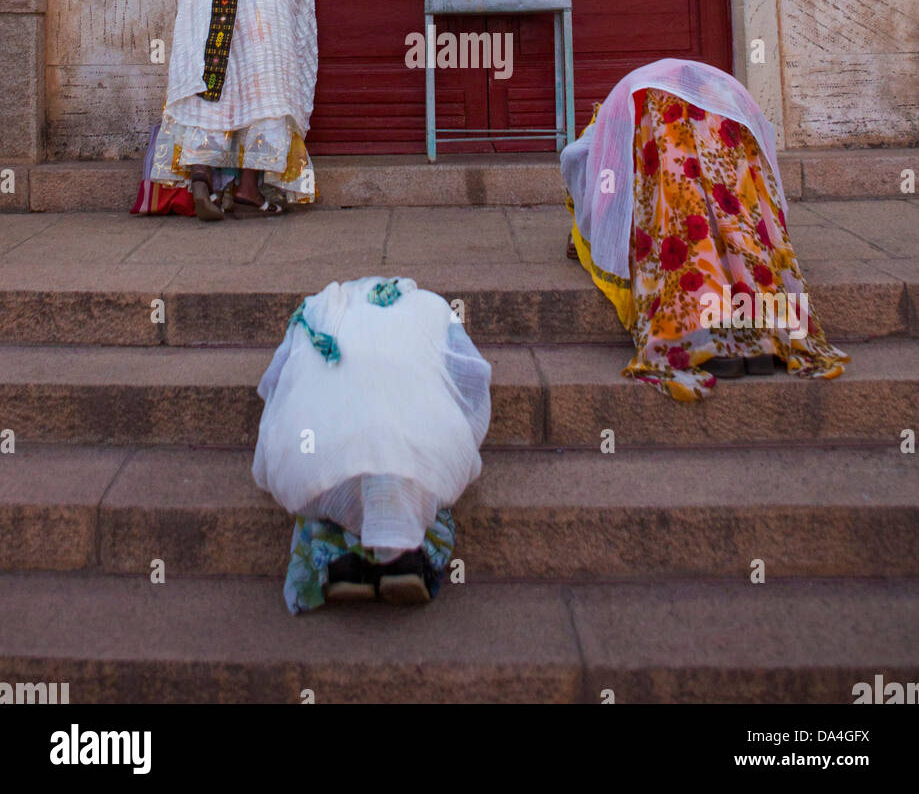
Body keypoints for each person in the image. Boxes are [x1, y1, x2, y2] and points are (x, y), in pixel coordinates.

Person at [561, 58, 849, 402]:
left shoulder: (608, 119)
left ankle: (706, 338)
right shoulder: (711, 93)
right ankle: (761, 340)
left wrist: (587, 236)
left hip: (661, 129)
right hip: (723, 120)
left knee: (686, 234)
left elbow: (594, 183)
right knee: (735, 229)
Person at [253, 276, 491, 608]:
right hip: (415, 448)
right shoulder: (431, 305)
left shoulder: (314, 309)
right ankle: (405, 558)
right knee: (404, 471)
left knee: (334, 474)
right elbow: (472, 378)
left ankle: (342, 563)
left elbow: (274, 385)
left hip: (315, 455)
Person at [149, 0, 318, 220]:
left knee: (212, 86)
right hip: (266, 8)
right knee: (265, 94)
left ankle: (201, 177)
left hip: (218, 0)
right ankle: (248, 189)